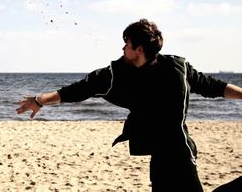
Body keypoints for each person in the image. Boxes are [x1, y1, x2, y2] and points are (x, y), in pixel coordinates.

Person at [16, 19, 242, 192]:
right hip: (158, 155)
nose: (123, 48)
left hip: (180, 151)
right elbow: (79, 89)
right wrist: (40, 100)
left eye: (127, 44)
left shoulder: (178, 68)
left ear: (140, 49)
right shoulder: (116, 73)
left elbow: (213, 86)